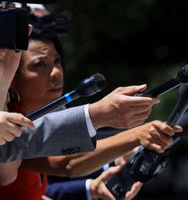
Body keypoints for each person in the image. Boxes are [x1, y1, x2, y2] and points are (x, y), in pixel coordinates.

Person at [0, 24, 174, 199]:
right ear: (12, 74)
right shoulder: (10, 129)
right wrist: (135, 136)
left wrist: (93, 189)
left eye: (57, 61)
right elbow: (66, 162)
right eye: (39, 65)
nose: (56, 73)